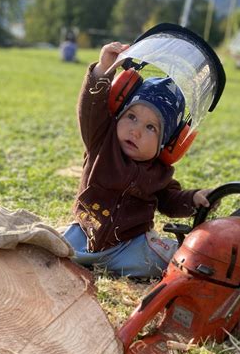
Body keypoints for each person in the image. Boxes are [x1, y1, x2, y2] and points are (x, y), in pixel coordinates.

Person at [63, 42, 216, 278]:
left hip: (131, 246)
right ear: (118, 115)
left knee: (179, 261)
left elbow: (170, 201)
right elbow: (90, 108)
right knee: (52, 248)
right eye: (131, 116)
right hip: (85, 233)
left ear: (167, 144)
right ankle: (82, 255)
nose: (136, 131)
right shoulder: (101, 140)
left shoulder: (159, 171)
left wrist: (194, 199)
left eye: (151, 128)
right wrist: (103, 69)